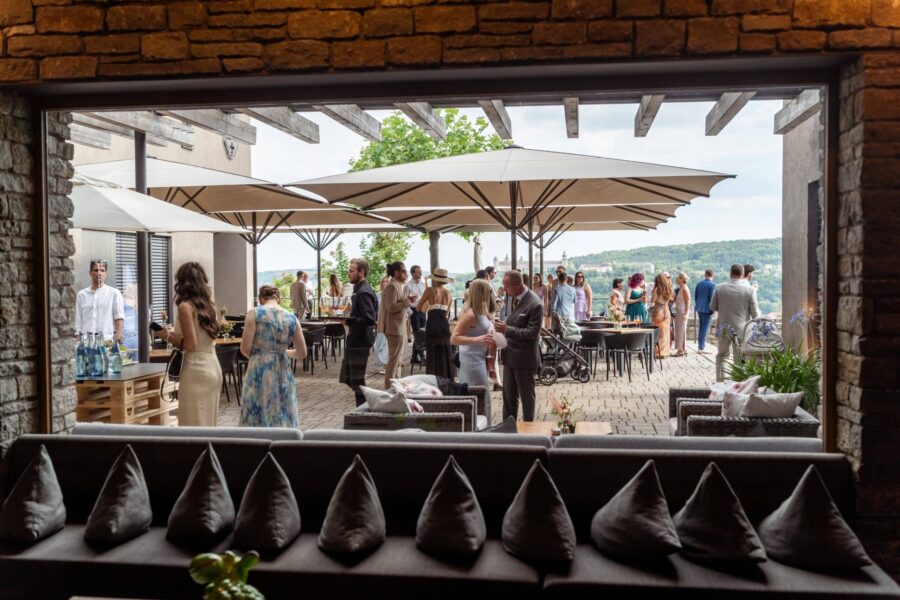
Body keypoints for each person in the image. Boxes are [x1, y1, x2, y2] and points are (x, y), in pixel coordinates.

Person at [155, 262, 222, 426]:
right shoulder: (209, 307)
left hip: (196, 368)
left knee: (193, 423)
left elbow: (191, 344)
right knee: (209, 423)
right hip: (213, 365)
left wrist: (167, 336)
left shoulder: (185, 307)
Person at [239, 285, 307, 428]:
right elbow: (302, 352)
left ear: (261, 299)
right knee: (282, 408)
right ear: (279, 299)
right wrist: (283, 352)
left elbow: (245, 348)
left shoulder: (254, 313)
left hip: (259, 368)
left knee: (256, 408)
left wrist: (261, 355)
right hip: (282, 369)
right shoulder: (292, 318)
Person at [493, 271, 543, 422]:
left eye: (506, 286)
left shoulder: (535, 303)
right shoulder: (513, 299)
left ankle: (529, 428)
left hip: (524, 359)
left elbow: (533, 333)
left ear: (517, 285)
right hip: (510, 357)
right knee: (508, 397)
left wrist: (507, 330)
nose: (504, 290)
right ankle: (508, 429)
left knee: (526, 397)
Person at [710, 264, 760, 381]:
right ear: (742, 274)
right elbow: (755, 313)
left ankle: (720, 381)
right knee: (739, 358)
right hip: (741, 329)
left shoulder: (719, 288)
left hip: (723, 327)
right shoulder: (749, 290)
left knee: (722, 355)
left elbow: (712, 306)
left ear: (730, 273)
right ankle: (737, 382)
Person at [340, 258, 378, 406]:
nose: (348, 273)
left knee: (356, 378)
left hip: (360, 341)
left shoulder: (363, 292)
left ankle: (367, 406)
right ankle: (367, 405)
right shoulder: (359, 290)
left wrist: (349, 321)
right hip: (355, 340)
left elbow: (369, 319)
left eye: (351, 271)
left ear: (361, 272)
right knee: (348, 377)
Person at [451, 279, 496, 387]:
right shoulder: (470, 314)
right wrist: (478, 339)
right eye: (488, 291)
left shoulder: (481, 310)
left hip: (480, 357)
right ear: (481, 293)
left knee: (481, 392)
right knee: (478, 391)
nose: (491, 294)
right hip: (471, 360)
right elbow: (454, 338)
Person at [377, 261, 411, 388]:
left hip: (398, 327)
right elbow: (390, 307)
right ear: (396, 272)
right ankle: (390, 388)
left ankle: (396, 385)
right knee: (394, 360)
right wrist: (406, 303)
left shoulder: (397, 285)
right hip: (394, 328)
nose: (405, 273)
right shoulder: (392, 286)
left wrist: (405, 301)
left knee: (398, 359)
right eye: (403, 271)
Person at [417, 267, 455, 379]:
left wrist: (429, 305)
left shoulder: (429, 290)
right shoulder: (449, 294)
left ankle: (433, 379)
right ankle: (446, 378)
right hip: (444, 326)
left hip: (433, 326)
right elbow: (446, 314)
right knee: (444, 353)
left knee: (432, 354)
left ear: (435, 279)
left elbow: (419, 308)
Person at [75, 259, 125, 343]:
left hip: (107, 341)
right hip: (86, 342)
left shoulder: (114, 294)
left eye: (102, 270)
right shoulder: (82, 295)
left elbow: (119, 319)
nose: (99, 273)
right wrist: (78, 340)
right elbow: (78, 320)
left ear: (106, 274)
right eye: (96, 270)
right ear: (90, 273)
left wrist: (117, 341)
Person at [405, 265, 427, 364]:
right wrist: (411, 313)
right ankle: (422, 357)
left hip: (423, 311)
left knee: (422, 333)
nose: (420, 273)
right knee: (417, 334)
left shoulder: (422, 284)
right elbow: (404, 301)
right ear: (413, 273)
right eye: (418, 271)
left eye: (420, 271)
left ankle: (414, 357)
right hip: (414, 311)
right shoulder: (408, 285)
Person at [651, 273, 674, 359]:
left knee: (658, 332)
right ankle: (665, 351)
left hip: (659, 310)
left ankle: (658, 352)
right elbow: (671, 299)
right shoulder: (669, 288)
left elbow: (653, 300)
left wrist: (653, 292)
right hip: (666, 311)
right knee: (665, 332)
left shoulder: (657, 290)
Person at [694, 269, 716, 354]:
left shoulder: (699, 284)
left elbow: (696, 297)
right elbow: (712, 298)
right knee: (705, 328)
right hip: (708, 309)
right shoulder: (713, 285)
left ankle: (700, 345)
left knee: (701, 327)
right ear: (712, 275)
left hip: (699, 308)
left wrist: (698, 305)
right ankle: (701, 347)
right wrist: (712, 309)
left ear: (705, 275)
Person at [373, 275, 391, 374]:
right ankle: (383, 364)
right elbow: (374, 309)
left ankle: (386, 365)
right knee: (379, 344)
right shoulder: (377, 295)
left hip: (389, 322)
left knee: (387, 344)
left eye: (387, 281)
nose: (384, 283)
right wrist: (375, 320)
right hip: (380, 322)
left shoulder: (391, 294)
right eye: (383, 281)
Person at [673, 273, 691, 357]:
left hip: (682, 311)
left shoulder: (684, 289)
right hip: (679, 311)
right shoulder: (681, 288)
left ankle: (682, 349)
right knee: (679, 330)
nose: (676, 279)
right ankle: (681, 349)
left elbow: (688, 301)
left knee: (682, 330)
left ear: (681, 279)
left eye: (677, 278)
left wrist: (686, 313)